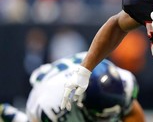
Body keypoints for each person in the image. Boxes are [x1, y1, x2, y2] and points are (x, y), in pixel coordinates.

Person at [0, 52, 145, 122]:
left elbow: (133, 112)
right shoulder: (53, 107)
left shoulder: (123, 82)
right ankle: (13, 116)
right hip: (48, 87)